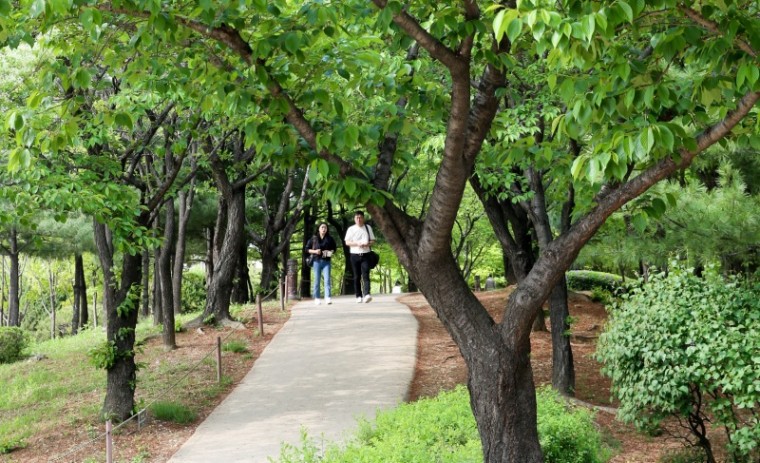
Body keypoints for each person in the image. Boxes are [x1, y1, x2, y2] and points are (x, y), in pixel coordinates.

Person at [344, 210, 375, 303]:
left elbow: (373, 240)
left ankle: (367, 294)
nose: (359, 219)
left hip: (366, 254)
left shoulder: (368, 227)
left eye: (360, 217)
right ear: (354, 219)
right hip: (354, 255)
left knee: (366, 274)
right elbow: (347, 242)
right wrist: (357, 244)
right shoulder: (351, 229)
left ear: (363, 218)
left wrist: (367, 244)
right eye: (357, 217)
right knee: (357, 276)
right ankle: (358, 295)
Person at [305, 222, 337, 305]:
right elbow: (306, 249)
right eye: (322, 227)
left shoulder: (330, 239)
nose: (324, 229)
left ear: (327, 229)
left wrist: (329, 252)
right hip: (316, 261)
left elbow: (334, 249)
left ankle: (328, 298)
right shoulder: (314, 239)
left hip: (326, 261)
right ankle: (317, 298)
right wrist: (315, 251)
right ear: (319, 229)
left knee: (327, 280)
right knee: (317, 280)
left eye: (325, 227)